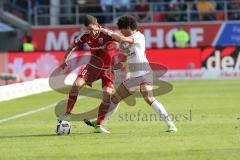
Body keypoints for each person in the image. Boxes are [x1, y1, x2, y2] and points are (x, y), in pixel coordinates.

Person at [86, 15, 177, 133]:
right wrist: (113, 68)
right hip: (134, 77)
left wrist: (105, 31)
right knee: (115, 98)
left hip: (144, 72)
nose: (121, 32)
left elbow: (124, 40)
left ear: (128, 27)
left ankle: (171, 125)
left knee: (148, 97)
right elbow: (126, 59)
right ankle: (99, 123)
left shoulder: (139, 36)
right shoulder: (124, 42)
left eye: (122, 29)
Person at [59, 15, 120, 133]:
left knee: (107, 93)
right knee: (76, 85)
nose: (91, 32)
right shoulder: (86, 36)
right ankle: (67, 114)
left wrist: (107, 32)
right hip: (92, 67)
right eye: (88, 30)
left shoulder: (107, 34)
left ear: (97, 24)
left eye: (92, 29)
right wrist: (66, 58)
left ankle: (99, 125)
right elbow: (73, 45)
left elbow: (121, 38)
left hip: (107, 70)